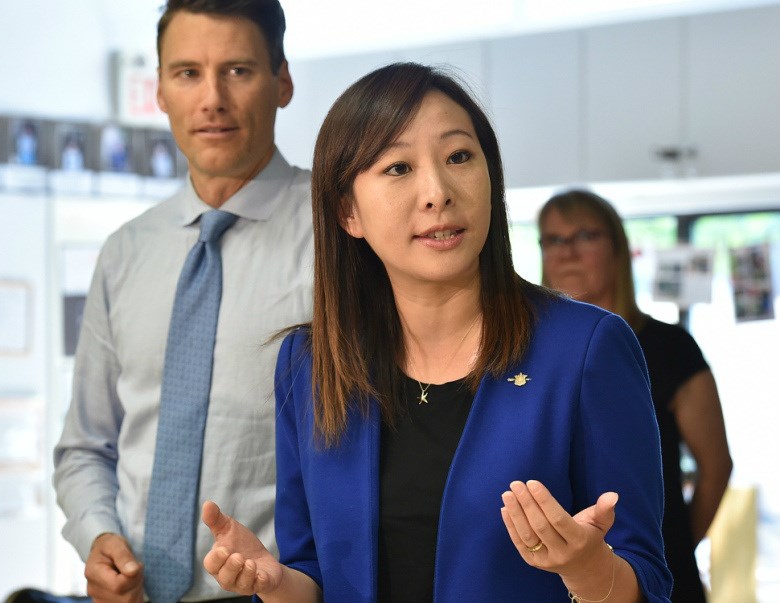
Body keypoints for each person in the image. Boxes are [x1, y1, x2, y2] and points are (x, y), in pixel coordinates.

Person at [200, 62, 672, 602]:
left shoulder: (586, 348)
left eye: (459, 157)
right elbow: (315, 572)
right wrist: (278, 582)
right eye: (398, 168)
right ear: (348, 211)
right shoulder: (309, 363)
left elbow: (649, 581)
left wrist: (591, 571)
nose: (437, 191)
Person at [52, 1, 312, 602]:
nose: (212, 98)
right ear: (161, 91)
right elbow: (87, 444)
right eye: (188, 72)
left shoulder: (343, 235)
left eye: (239, 70)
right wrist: (97, 536)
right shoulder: (125, 252)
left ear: (282, 82)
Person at [538, 189, 733, 602]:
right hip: (552, 577)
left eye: (584, 236)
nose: (568, 252)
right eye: (554, 239)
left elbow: (715, 465)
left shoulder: (670, 347)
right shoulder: (529, 354)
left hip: (653, 573)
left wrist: (675, 547)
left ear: (618, 248)